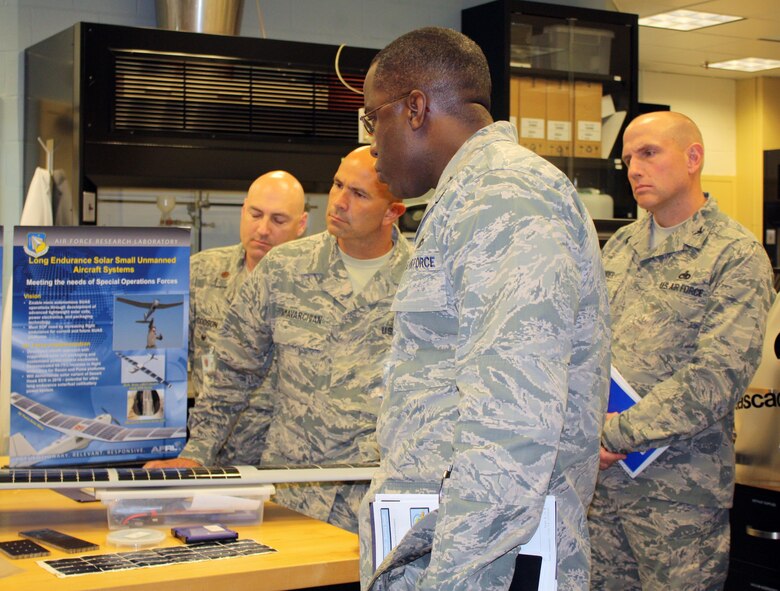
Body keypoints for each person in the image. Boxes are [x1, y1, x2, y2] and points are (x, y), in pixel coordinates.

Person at [358, 27, 610, 591]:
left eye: (373, 119)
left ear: (415, 108)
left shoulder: (505, 195)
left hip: (481, 566)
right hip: (448, 549)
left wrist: (449, 579)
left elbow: (512, 424)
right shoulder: (469, 196)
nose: (371, 143)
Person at [146, 146, 411, 533]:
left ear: (392, 212)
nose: (339, 202)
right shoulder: (284, 269)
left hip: (377, 500)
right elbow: (233, 372)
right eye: (338, 185)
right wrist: (197, 453)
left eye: (358, 194)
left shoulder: (423, 282)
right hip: (292, 493)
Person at [588, 111, 774, 591]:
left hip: (679, 497)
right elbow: (588, 346)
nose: (634, 169)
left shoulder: (734, 254)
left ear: (693, 158)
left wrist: (615, 434)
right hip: (604, 489)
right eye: (628, 158)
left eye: (649, 153)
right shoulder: (621, 246)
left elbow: (716, 377)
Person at [188, 170, 307, 464]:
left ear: (301, 224)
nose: (263, 229)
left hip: (285, 465)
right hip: (212, 455)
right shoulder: (201, 273)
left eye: (278, 220)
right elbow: (170, 362)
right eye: (255, 214)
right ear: (243, 211)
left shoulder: (313, 288)